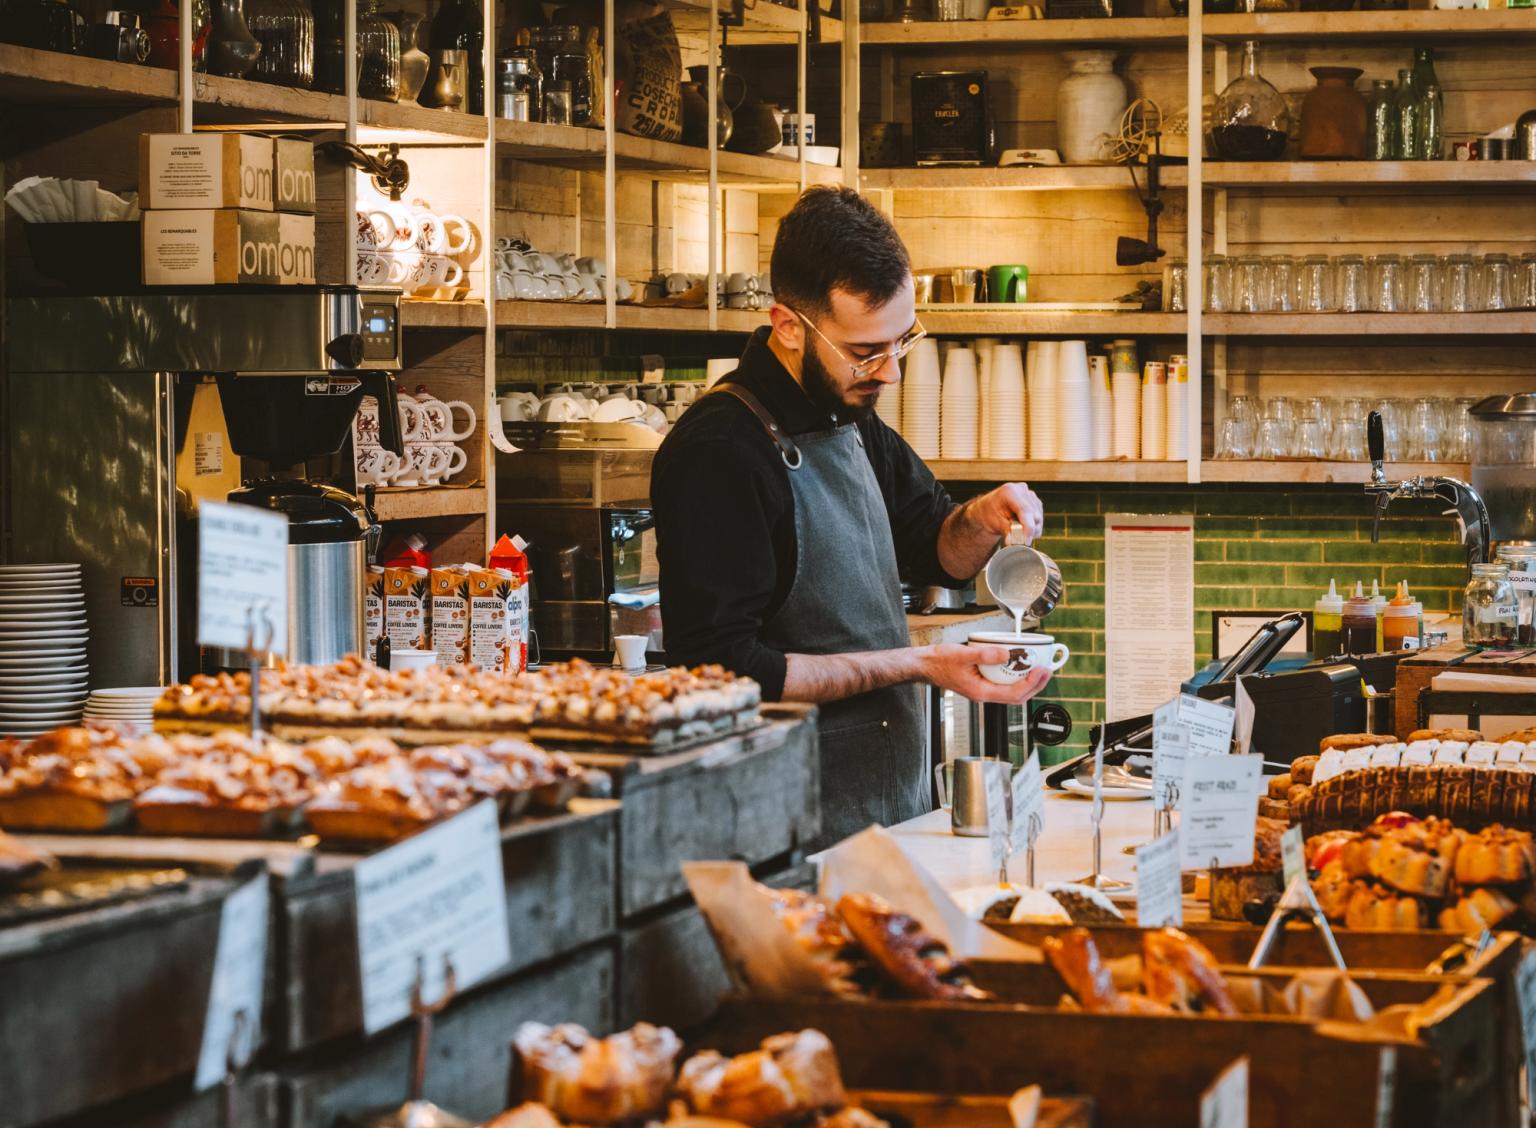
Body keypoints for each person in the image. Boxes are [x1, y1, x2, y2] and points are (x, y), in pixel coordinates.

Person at [651, 185, 1052, 849]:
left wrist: (982, 517)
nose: (890, 372)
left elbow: (934, 550)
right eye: (867, 350)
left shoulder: (849, 417)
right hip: (782, 837)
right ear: (787, 325)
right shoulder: (720, 451)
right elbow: (723, 671)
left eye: (902, 342)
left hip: (888, 813)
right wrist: (917, 665)